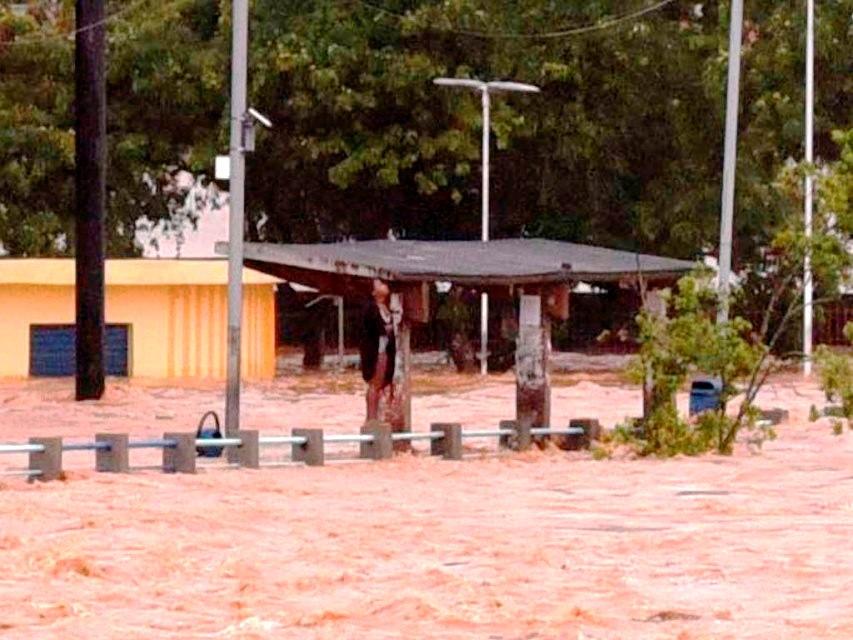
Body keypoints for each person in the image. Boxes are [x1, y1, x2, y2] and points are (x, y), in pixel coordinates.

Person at [360, 278, 396, 421]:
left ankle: (379, 416)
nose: (384, 286)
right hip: (376, 351)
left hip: (386, 350)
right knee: (374, 383)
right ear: (373, 292)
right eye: (380, 284)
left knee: (383, 384)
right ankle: (371, 417)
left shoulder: (387, 307)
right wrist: (385, 329)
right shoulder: (370, 308)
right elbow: (371, 329)